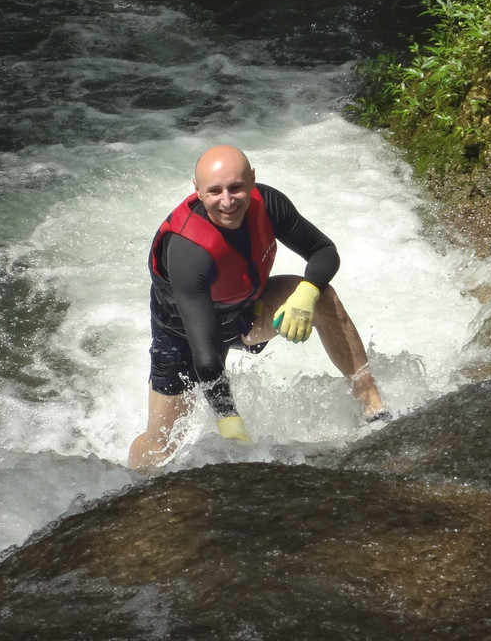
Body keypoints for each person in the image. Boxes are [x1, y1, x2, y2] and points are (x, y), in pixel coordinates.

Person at [128, 144, 390, 469]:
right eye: (215, 192)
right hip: (185, 338)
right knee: (161, 441)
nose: (227, 201)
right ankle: (133, 485)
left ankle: (374, 410)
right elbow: (207, 359)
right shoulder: (188, 250)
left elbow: (323, 250)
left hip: (246, 311)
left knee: (322, 295)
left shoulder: (268, 204)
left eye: (236, 187)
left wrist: (306, 294)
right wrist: (230, 422)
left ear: (252, 179)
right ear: (197, 191)